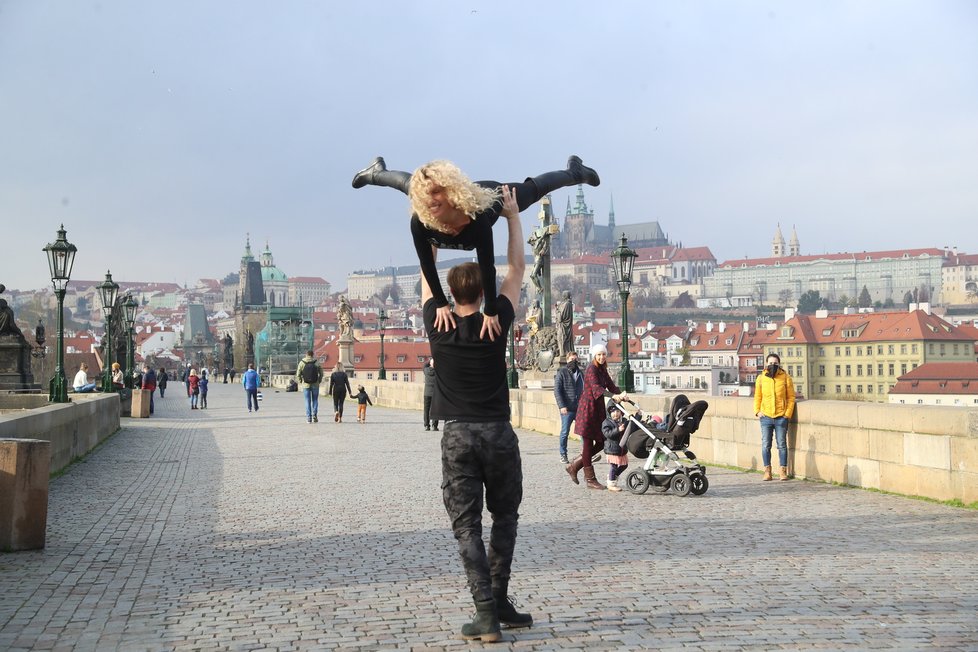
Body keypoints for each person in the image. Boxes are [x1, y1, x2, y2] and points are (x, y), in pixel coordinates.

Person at [422, 184, 531, 641]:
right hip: (499, 434)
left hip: (459, 436)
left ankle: (487, 611)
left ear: (450, 293)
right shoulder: (497, 320)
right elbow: (517, 268)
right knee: (504, 518)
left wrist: (433, 219)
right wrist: (510, 216)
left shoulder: (437, 321)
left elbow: (426, 276)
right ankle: (499, 598)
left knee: (466, 524)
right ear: (484, 291)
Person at [352, 155, 599, 341]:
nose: (431, 198)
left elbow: (487, 267)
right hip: (446, 224)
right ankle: (377, 173)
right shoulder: (422, 216)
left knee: (533, 190)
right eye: (426, 194)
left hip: (490, 196)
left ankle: (575, 173)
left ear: (450, 192)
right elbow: (426, 263)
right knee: (408, 184)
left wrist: (490, 311)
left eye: (438, 191)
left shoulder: (477, 216)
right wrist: (440, 303)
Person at [567, 343, 628, 490]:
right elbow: (597, 388)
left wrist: (622, 395)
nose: (601, 357)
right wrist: (614, 395)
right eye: (599, 354)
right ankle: (590, 479)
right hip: (587, 410)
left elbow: (610, 385)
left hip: (597, 410)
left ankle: (575, 465)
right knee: (588, 444)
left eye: (603, 354)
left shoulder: (602, 369)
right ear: (594, 356)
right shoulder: (591, 369)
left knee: (601, 441)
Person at [754, 352, 796, 481]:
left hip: (780, 416)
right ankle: (767, 471)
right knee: (766, 444)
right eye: (771, 363)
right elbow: (757, 396)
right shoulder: (761, 378)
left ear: (779, 364)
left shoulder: (785, 377)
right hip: (766, 416)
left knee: (782, 445)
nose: (773, 365)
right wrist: (757, 411)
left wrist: (787, 414)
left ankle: (783, 471)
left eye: (775, 363)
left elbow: (791, 398)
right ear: (766, 364)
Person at [553, 350, 584, 464]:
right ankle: (563, 454)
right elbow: (557, 391)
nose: (574, 362)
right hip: (567, 408)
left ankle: (585, 454)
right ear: (567, 360)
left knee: (583, 432)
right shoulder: (562, 372)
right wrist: (562, 406)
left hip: (579, 408)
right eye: (572, 359)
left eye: (575, 359)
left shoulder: (580, 373)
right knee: (565, 432)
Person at [601, 400, 631, 492]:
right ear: (610, 413)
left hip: (621, 449)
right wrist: (618, 430)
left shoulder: (624, 421)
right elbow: (607, 434)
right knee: (614, 466)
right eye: (613, 412)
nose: (615, 414)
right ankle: (611, 483)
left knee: (624, 465)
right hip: (612, 448)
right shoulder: (607, 422)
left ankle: (612, 476)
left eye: (618, 411)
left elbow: (631, 424)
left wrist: (638, 415)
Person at [296, 350, 323, 423]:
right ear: (312, 355)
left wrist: (301, 381)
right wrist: (319, 380)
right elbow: (321, 373)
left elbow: (298, 374)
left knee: (307, 401)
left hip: (306, 384)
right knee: (315, 400)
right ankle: (315, 415)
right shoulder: (316, 362)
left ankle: (309, 417)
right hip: (315, 384)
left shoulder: (302, 362)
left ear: (306, 355)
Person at [422, 358, 439, 431]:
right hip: (435, 393)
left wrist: (429, 361)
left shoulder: (426, 370)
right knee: (435, 410)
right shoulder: (438, 372)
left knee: (426, 410)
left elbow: (424, 365)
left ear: (430, 364)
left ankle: (426, 426)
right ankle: (434, 426)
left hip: (427, 393)